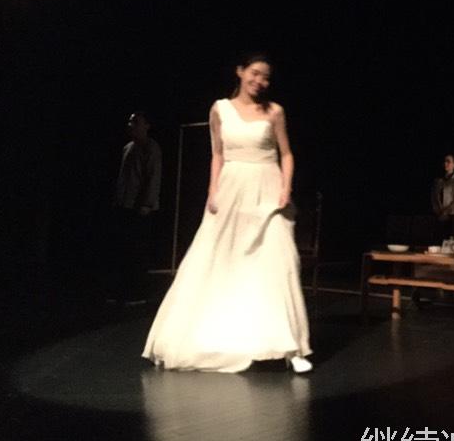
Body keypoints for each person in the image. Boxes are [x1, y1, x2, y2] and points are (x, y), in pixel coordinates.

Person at [142, 55, 313, 374]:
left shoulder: (274, 111)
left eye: (265, 77)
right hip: (232, 188)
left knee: (279, 261)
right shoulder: (220, 109)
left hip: (268, 188)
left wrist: (285, 188)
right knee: (220, 259)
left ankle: (292, 349)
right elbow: (217, 154)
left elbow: (286, 154)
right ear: (240, 72)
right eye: (255, 73)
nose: (260, 81)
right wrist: (212, 191)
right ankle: (215, 336)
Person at [111, 111, 162, 304]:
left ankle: (139, 293)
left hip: (140, 208)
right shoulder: (128, 148)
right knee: (125, 250)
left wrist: (147, 203)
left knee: (138, 252)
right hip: (125, 205)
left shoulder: (151, 148)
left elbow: (153, 176)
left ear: (146, 125)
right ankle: (124, 291)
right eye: (130, 122)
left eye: (136, 122)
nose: (131, 125)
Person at [431, 153, 454, 243]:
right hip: (440, 215)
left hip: (453, 215)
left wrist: (446, 211)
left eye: (448, 161)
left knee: (451, 242)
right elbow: (434, 198)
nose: (445, 163)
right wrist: (438, 211)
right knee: (439, 241)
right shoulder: (438, 181)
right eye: (445, 161)